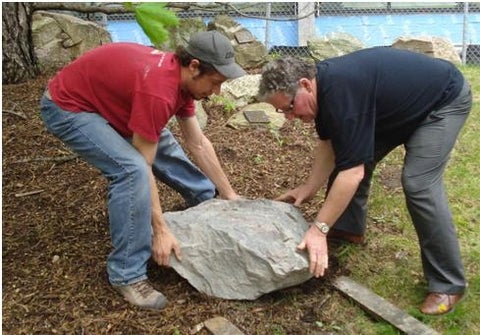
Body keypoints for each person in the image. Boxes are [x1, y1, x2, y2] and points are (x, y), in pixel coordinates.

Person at [40, 31, 246, 310]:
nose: (218, 91)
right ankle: (127, 272)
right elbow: (143, 164)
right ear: (194, 66)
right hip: (69, 106)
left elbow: (197, 143)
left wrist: (229, 194)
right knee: (131, 170)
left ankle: (205, 200)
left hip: (115, 103)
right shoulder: (158, 90)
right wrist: (160, 230)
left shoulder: (183, 82)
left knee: (163, 144)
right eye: (216, 82)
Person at [257, 47, 471, 315]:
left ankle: (449, 284)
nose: (289, 117)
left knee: (419, 184)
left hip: (441, 101)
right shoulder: (322, 89)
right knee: (350, 157)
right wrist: (309, 187)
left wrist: (318, 229)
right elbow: (331, 145)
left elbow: (352, 173)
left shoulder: (341, 94)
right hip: (397, 108)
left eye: (289, 107)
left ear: (305, 85)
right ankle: (348, 228)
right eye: (282, 112)